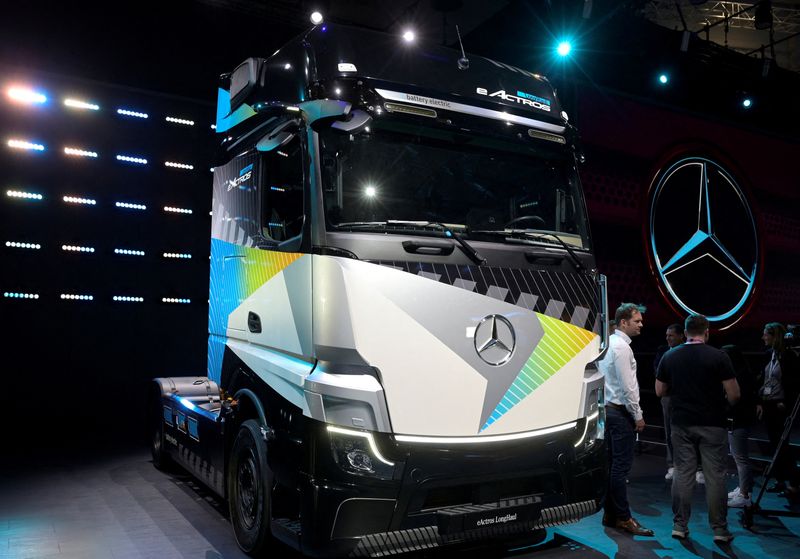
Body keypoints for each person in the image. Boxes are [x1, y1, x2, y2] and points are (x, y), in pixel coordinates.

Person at [655, 314, 740, 543]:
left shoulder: (669, 356)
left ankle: (679, 526)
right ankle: (720, 530)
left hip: (682, 423)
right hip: (713, 424)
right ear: (707, 331)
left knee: (683, 473)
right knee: (715, 477)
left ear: (685, 332)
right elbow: (734, 394)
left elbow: (659, 391)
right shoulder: (718, 357)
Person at [599, 303, 654, 536]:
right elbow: (627, 386)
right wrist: (638, 415)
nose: (641, 324)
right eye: (637, 321)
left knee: (613, 467)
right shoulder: (621, 347)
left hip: (609, 411)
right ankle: (623, 517)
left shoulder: (609, 344)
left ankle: (611, 514)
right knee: (620, 468)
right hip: (620, 413)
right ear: (623, 322)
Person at [757, 322, 800, 498]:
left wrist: (786, 403)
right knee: (775, 444)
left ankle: (794, 483)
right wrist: (759, 402)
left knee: (783, 445)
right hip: (768, 404)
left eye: (766, 334)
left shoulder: (788, 356)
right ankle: (780, 480)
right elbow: (763, 379)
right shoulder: (769, 354)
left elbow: (794, 384)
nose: (763, 337)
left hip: (781, 406)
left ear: (775, 336)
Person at [722, 344, 758, 508]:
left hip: (739, 420)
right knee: (738, 456)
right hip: (736, 420)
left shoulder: (741, 377)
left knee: (741, 457)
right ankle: (743, 489)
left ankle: (745, 494)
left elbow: (737, 399)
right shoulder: (739, 374)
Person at [654, 324, 686, 482]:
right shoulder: (662, 352)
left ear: (682, 336)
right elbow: (659, 373)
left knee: (688, 431)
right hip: (668, 397)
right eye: (667, 335)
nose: (667, 338)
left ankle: (694, 467)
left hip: (686, 397)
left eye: (671, 335)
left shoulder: (688, 351)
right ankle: (672, 464)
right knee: (669, 433)